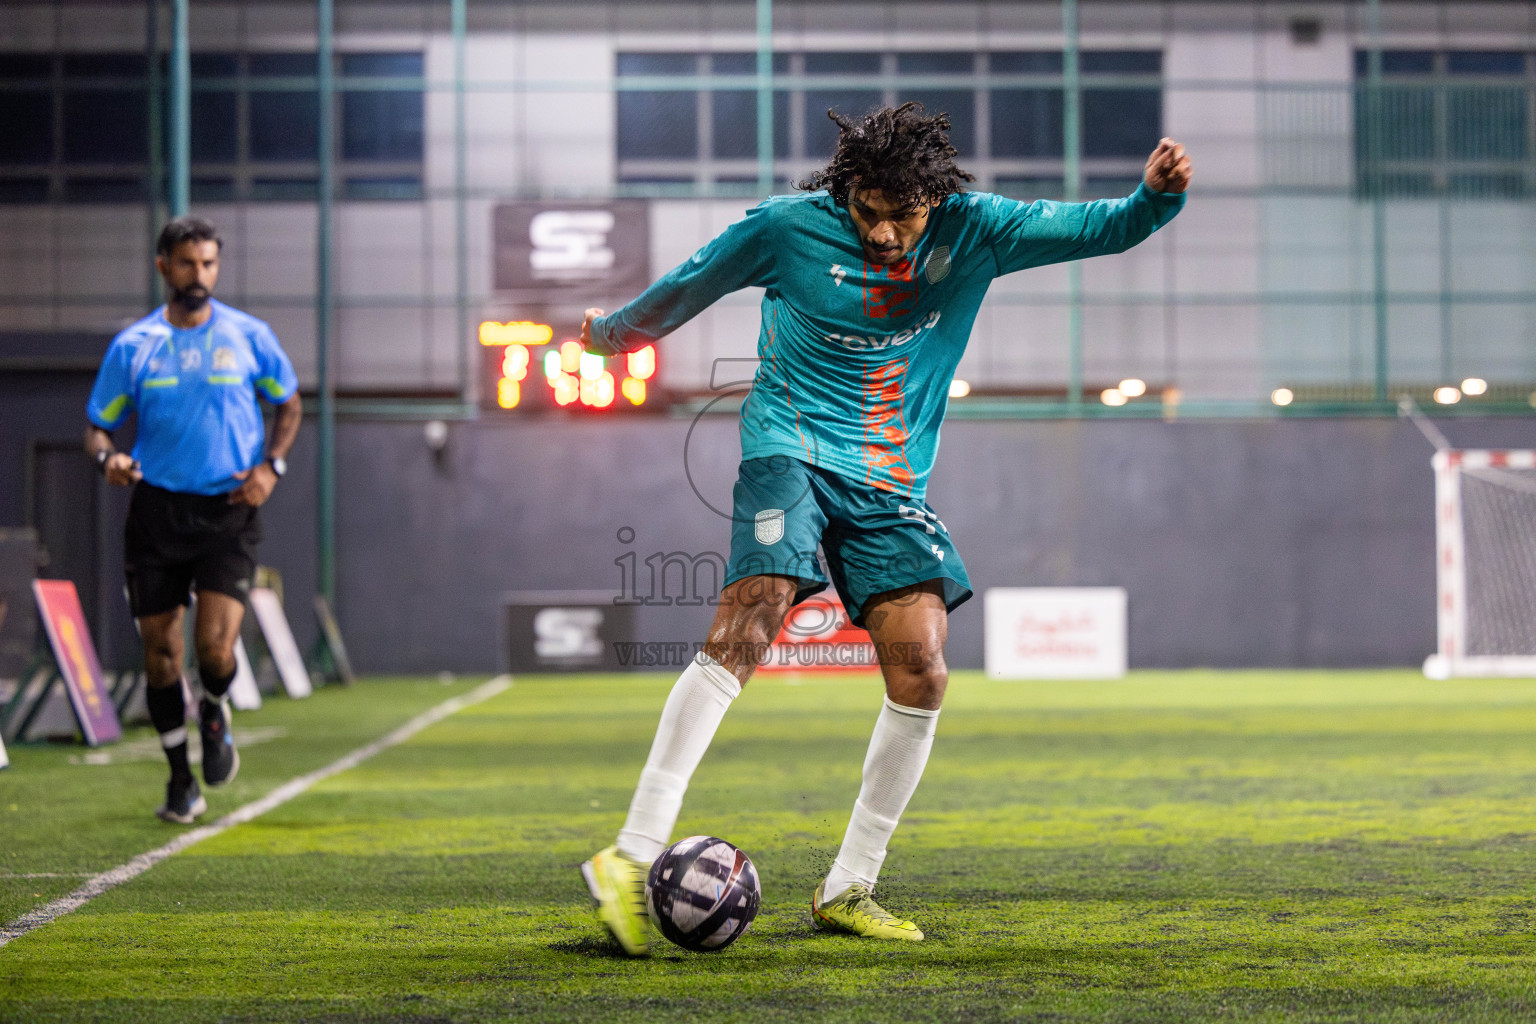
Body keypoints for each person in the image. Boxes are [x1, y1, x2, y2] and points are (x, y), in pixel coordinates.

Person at [579, 103, 1191, 954]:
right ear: (846, 192)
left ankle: (848, 886)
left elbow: (1103, 229)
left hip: (888, 482)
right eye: (865, 210)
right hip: (788, 446)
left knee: (923, 669)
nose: (882, 233)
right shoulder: (787, 228)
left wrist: (1154, 198)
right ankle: (633, 852)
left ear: (934, 200)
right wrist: (611, 336)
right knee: (757, 609)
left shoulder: (979, 229)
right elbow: (691, 283)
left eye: (901, 216)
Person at [85, 215, 301, 824]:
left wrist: (272, 467)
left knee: (213, 650)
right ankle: (180, 778)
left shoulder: (249, 335)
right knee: (160, 654)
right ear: (164, 267)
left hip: (230, 511)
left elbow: (288, 403)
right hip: (156, 512)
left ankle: (213, 706)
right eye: (187, 263)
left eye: (208, 263)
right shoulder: (134, 346)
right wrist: (108, 458)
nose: (199, 274)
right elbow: (98, 424)